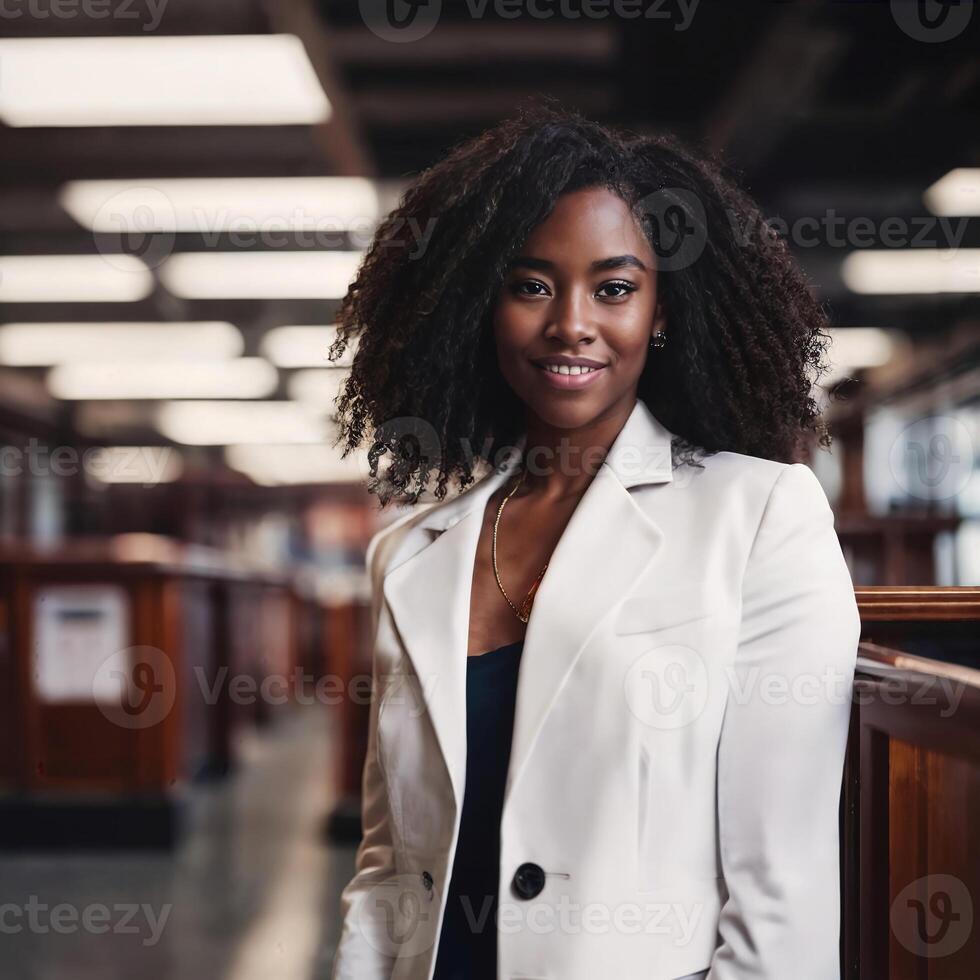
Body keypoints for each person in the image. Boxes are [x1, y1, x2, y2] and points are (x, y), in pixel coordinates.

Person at [329, 98, 861, 980]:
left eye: (614, 288)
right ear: (481, 304)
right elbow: (389, 866)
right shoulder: (411, 551)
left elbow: (782, 884)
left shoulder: (759, 515)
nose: (570, 322)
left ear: (660, 309)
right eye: (531, 284)